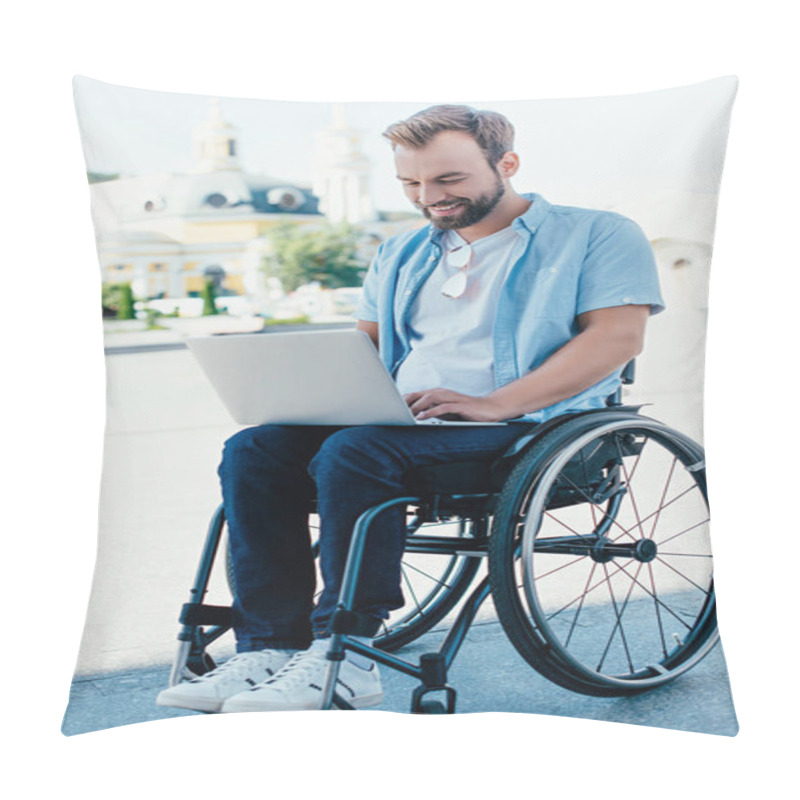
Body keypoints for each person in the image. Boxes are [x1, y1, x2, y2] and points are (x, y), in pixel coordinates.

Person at [157, 104, 664, 714]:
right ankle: (270, 646)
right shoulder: (401, 252)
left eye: (448, 180)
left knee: (357, 451)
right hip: (407, 424)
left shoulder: (597, 233)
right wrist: (305, 392)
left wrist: (490, 404)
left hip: (526, 428)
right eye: (412, 184)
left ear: (507, 164)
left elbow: (615, 339)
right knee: (255, 449)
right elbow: (365, 349)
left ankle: (349, 654)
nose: (430, 197)